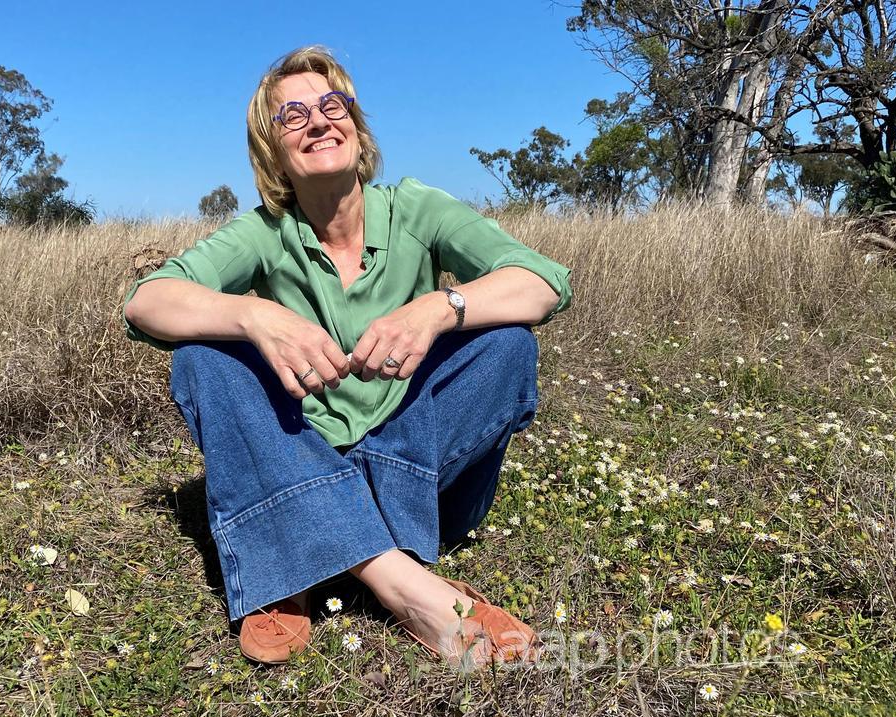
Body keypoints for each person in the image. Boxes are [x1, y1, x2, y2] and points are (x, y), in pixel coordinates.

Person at [122, 46, 572, 669]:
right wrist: (256, 314)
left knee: (508, 344)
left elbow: (543, 281)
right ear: (271, 149)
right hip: (311, 447)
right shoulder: (263, 232)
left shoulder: (417, 208)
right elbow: (147, 301)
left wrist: (440, 307)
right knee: (201, 358)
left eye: (333, 105)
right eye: (292, 115)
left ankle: (297, 543)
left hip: (419, 460)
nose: (317, 120)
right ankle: (403, 583)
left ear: (357, 129)